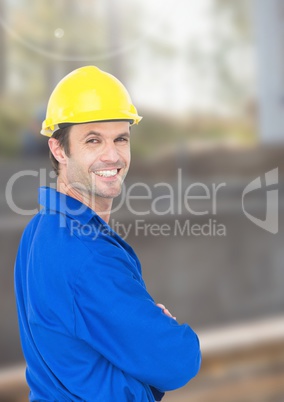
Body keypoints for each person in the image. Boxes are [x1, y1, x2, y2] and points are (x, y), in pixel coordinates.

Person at [14, 66, 201, 402]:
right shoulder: (87, 254)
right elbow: (178, 361)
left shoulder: (38, 230)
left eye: (120, 138)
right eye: (93, 140)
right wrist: (161, 333)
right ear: (58, 149)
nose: (112, 155)